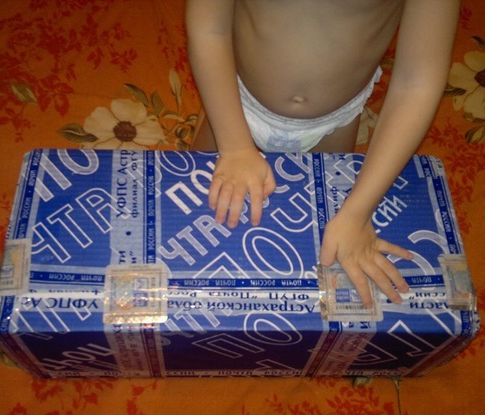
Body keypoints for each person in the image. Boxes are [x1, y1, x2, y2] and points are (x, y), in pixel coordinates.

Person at [186, 0, 461, 308]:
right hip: (236, 101)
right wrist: (235, 146)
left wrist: (358, 212)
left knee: (323, 238)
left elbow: (418, 81)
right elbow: (210, 27)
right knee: (198, 210)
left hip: (335, 122)